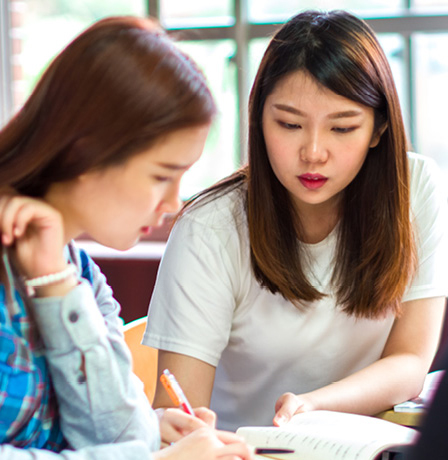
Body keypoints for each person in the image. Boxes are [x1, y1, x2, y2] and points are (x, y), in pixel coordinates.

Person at [143, 9, 448, 431]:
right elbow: (178, 413)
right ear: (259, 120)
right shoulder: (210, 229)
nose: (313, 152)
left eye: (342, 128)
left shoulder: (416, 189)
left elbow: (410, 361)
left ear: (378, 129)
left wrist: (312, 406)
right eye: (289, 124)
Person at [0, 16, 253, 460]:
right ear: (85, 152)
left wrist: (56, 286)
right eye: (162, 176)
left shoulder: (80, 279)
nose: (172, 203)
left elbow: (117, 434)